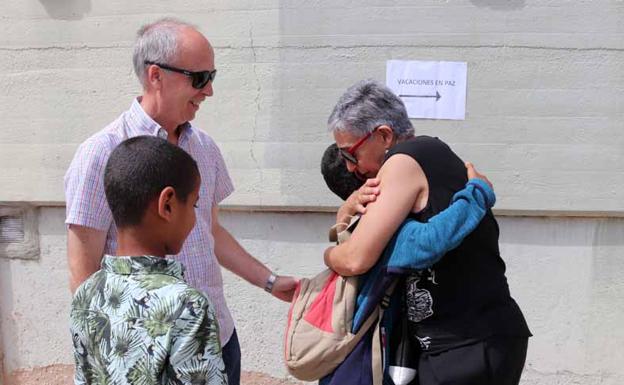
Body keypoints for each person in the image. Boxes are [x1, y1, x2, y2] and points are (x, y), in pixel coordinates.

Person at [64, 18, 296, 385]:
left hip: (217, 336)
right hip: (146, 359)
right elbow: (83, 275)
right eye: (200, 78)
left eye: (212, 76)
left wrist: (269, 281)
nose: (209, 92)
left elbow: (211, 231)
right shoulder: (100, 153)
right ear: (156, 75)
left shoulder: (203, 148)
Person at [323, 80, 531, 385]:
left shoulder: (406, 158)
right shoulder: (426, 157)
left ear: (383, 135)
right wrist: (344, 218)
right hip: (459, 342)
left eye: (351, 154)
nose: (351, 167)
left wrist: (330, 251)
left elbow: (356, 258)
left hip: (467, 343)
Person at [70, 136, 226, 385]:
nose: (195, 218)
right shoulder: (186, 305)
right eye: (194, 205)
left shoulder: (87, 293)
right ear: (168, 205)